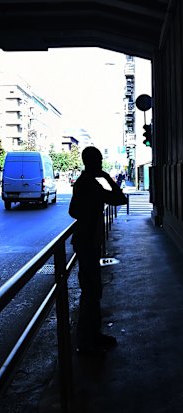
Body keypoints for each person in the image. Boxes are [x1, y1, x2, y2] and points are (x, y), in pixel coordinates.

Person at [69, 146, 127, 355]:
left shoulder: (87, 182)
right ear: (91, 162)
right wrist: (107, 179)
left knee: (92, 290)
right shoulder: (89, 184)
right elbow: (119, 198)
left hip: (87, 241)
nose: (101, 163)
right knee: (91, 290)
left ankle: (92, 335)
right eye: (98, 160)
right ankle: (87, 340)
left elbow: (74, 210)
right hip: (86, 242)